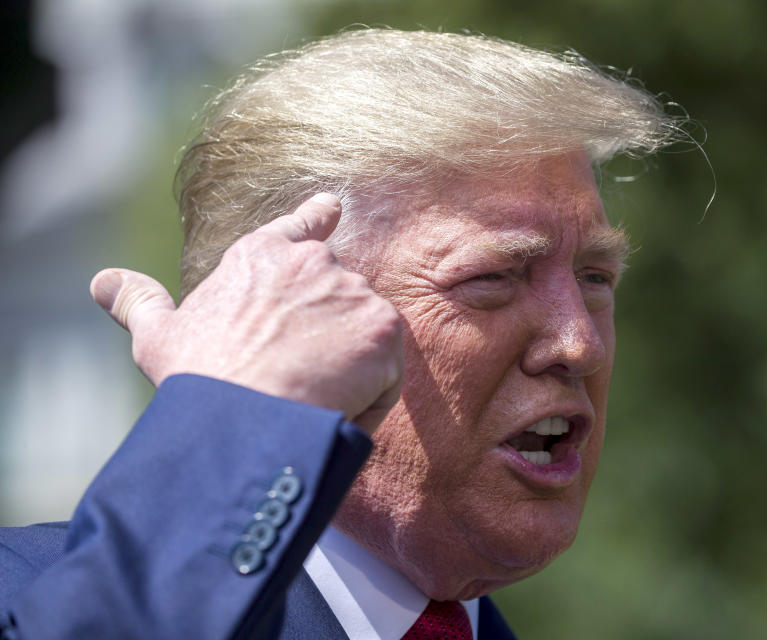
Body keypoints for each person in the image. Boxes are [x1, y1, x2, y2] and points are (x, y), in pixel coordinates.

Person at [0, 28, 681, 639]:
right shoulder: (25, 592)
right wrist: (234, 417)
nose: (579, 343)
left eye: (595, 277)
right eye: (495, 277)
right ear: (276, 313)